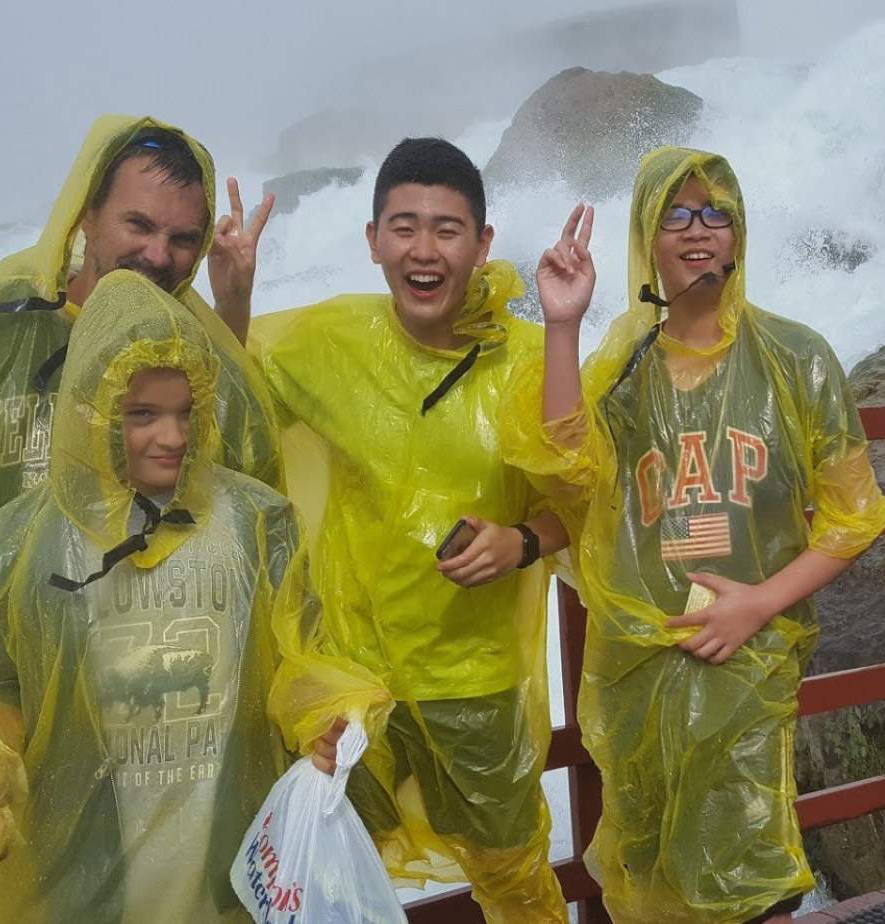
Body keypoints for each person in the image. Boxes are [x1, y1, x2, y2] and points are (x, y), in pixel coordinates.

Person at [0, 270, 388, 924]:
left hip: (220, 855)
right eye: (143, 415)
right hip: (80, 869)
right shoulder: (28, 545)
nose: (173, 437)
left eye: (187, 412)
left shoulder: (255, 525)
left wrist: (328, 718)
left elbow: (301, 653)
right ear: (88, 412)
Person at [0, 115, 282, 794]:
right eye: (139, 225)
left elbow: (254, 523)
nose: (159, 256)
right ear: (87, 216)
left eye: (182, 238)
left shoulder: (200, 353)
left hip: (151, 736)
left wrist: (232, 310)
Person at [514, 147, 885, 924]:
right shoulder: (623, 366)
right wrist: (562, 324)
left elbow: (857, 515)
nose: (699, 231)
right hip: (642, 668)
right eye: (677, 215)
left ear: (739, 232)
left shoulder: (797, 359)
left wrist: (759, 604)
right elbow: (568, 469)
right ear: (647, 238)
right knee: (652, 866)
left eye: (716, 212)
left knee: (753, 872)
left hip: (748, 666)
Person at [235, 138, 568, 924]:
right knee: (323, 870)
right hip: (353, 687)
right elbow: (224, 402)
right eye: (404, 227)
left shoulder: (527, 359)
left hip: (474, 682)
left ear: (483, 244)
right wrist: (232, 295)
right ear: (373, 239)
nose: (424, 250)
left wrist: (522, 541)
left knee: (513, 874)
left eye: (447, 230)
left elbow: (585, 500)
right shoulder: (330, 341)